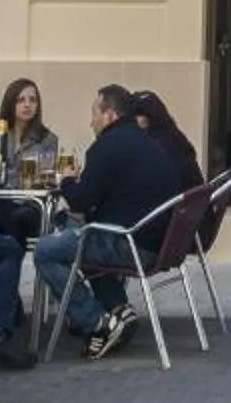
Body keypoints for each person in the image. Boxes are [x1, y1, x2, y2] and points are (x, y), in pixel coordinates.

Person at [33, 83, 183, 361]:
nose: (91, 121)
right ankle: (118, 309)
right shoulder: (147, 141)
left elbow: (80, 200)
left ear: (110, 115)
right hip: (158, 243)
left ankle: (96, 323)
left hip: (131, 246)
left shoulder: (106, 147)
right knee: (76, 233)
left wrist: (66, 180)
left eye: (94, 113)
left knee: (46, 251)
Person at [126, 90, 205, 191]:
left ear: (147, 118)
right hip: (193, 202)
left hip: (172, 203)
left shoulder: (152, 145)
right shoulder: (175, 137)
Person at [0, 77, 59, 179]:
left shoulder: (48, 139)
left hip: (30, 193)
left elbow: (46, 178)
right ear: (10, 103)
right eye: (21, 100)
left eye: (32, 100)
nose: (27, 105)